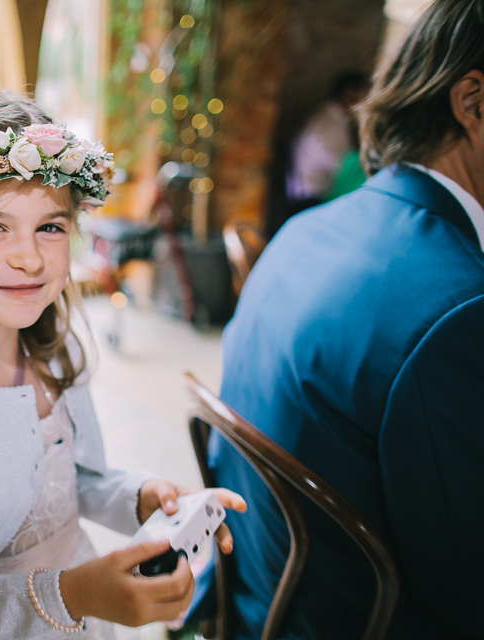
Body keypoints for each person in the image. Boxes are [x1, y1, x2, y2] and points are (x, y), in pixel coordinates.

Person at [0, 86, 246, 639]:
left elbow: (76, 480)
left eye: (50, 227)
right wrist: (74, 592)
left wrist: (143, 498)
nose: (30, 256)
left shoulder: (58, 354)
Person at [191, 0, 484, 637]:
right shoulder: (462, 307)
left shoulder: (307, 229)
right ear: (473, 103)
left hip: (254, 596)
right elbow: (468, 586)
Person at [281, 69, 369, 231]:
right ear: (349, 95)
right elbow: (343, 170)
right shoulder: (329, 127)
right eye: (362, 96)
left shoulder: (330, 120)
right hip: (311, 199)